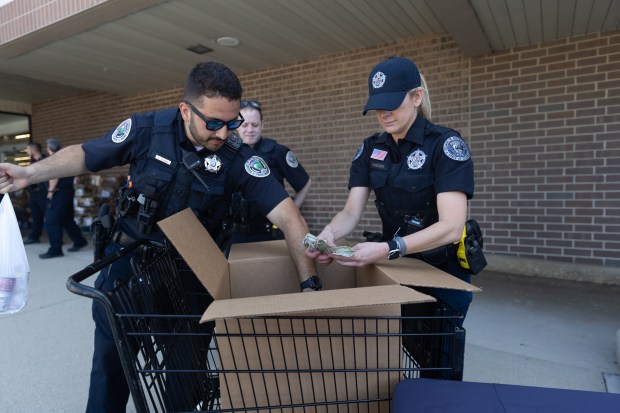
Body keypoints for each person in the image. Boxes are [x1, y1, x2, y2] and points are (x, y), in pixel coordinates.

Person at [0, 61, 319, 412]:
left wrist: (310, 287)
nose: (224, 133)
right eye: (213, 123)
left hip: (189, 279)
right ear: (186, 109)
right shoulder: (145, 129)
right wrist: (29, 173)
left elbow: (290, 219)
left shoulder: (240, 158)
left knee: (184, 382)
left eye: (233, 123)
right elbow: (86, 156)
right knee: (110, 369)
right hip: (129, 269)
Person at [306, 56, 476, 322]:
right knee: (395, 355)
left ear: (417, 97)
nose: (383, 113)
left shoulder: (444, 145)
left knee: (436, 360)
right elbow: (351, 212)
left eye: (392, 104)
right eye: (377, 106)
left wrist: (387, 249)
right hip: (395, 271)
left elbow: (452, 227)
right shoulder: (370, 148)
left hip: (442, 274)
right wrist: (329, 234)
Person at [227, 100, 311, 247]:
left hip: (268, 234)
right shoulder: (228, 154)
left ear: (262, 125)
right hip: (233, 235)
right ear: (237, 126)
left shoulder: (278, 152)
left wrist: (291, 215)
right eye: (245, 125)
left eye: (255, 125)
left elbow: (304, 183)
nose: (250, 129)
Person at [38, 138, 89, 259]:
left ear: (49, 148)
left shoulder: (54, 159)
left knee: (52, 221)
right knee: (67, 219)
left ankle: (55, 249)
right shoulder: (65, 157)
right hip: (67, 192)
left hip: (57, 192)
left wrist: (50, 190)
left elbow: (54, 175)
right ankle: (79, 241)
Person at [23, 142, 47, 244]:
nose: (27, 151)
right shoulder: (32, 161)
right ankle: (35, 236)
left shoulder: (45, 160)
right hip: (34, 193)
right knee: (36, 215)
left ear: (33, 150)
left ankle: (57, 240)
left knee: (50, 216)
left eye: (28, 149)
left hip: (44, 192)